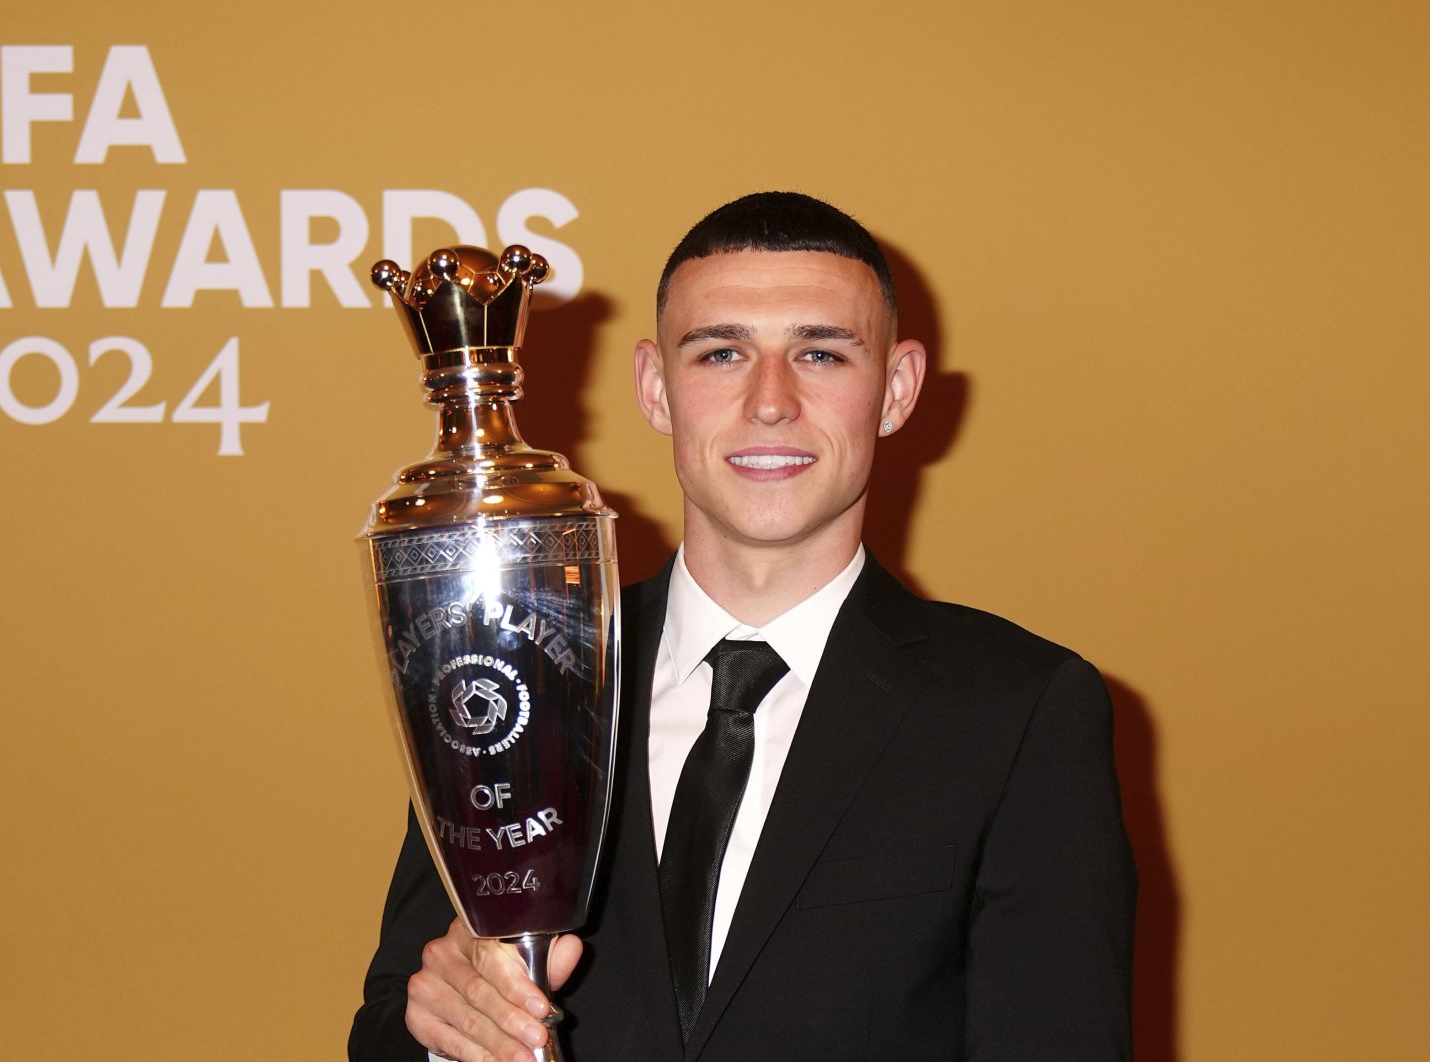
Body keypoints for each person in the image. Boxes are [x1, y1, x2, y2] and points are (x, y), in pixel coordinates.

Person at [349, 192, 1136, 1062]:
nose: (771, 401)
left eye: (822, 354)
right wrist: (443, 1030)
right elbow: (388, 1024)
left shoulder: (1018, 712)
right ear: (655, 387)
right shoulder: (525, 666)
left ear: (897, 389)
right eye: (722, 352)